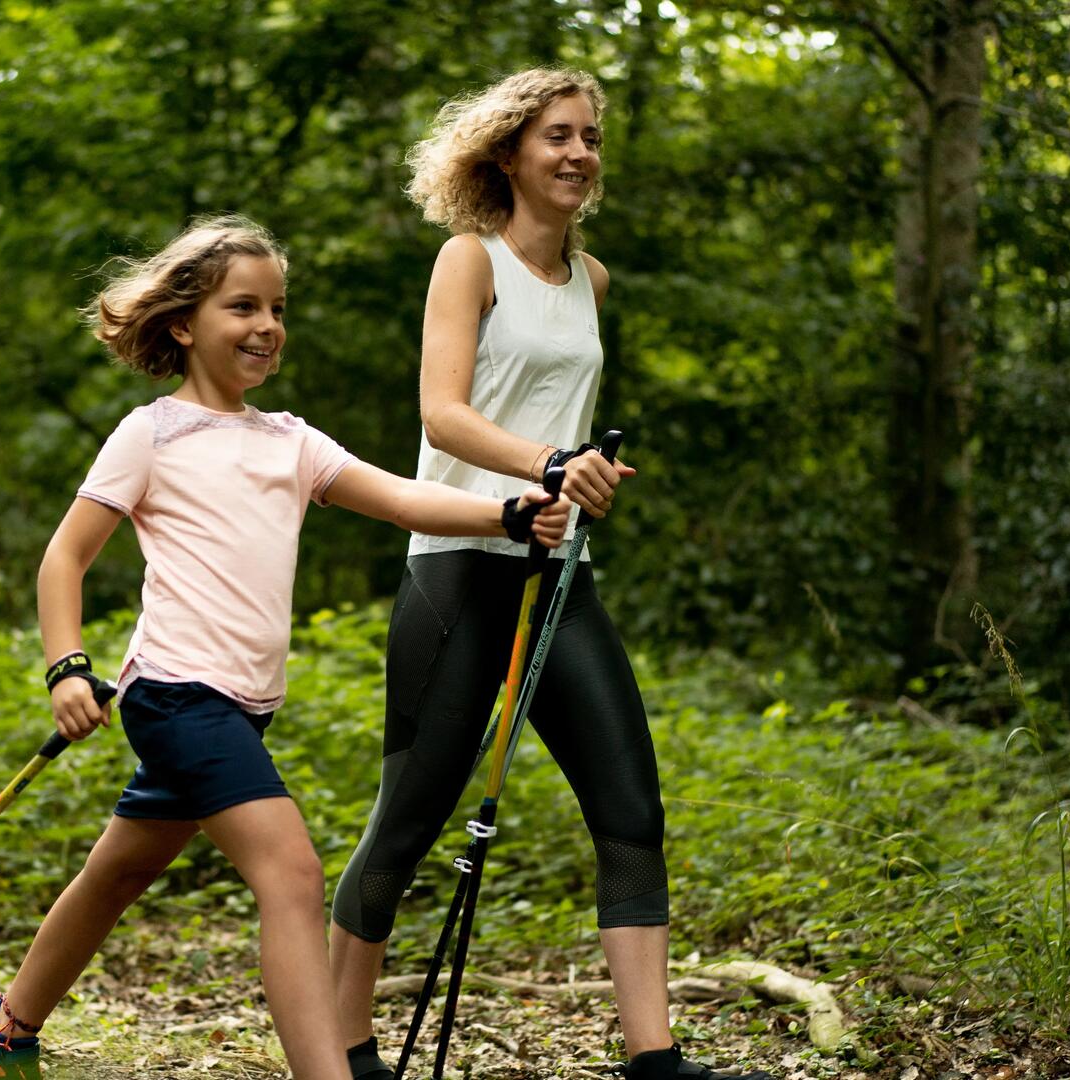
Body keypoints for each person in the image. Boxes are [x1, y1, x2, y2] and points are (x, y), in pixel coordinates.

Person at [0, 214, 571, 1080]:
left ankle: (1, 1033)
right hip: (175, 695)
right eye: (243, 306)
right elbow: (66, 556)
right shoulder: (153, 433)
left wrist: (508, 512)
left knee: (117, 873)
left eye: (277, 309)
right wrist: (67, 666)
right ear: (183, 323)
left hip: (242, 709)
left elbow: (401, 500)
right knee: (291, 872)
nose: (267, 326)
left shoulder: (289, 440)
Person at [327, 70, 775, 1080]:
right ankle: (344, 1050)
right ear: (507, 157)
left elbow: (561, 427)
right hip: (457, 567)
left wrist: (585, 473)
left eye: (589, 139)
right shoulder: (467, 261)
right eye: (557, 138)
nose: (578, 155)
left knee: (631, 811)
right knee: (407, 820)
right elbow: (442, 414)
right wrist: (545, 465)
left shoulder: (593, 281)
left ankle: (653, 1061)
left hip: (558, 576)